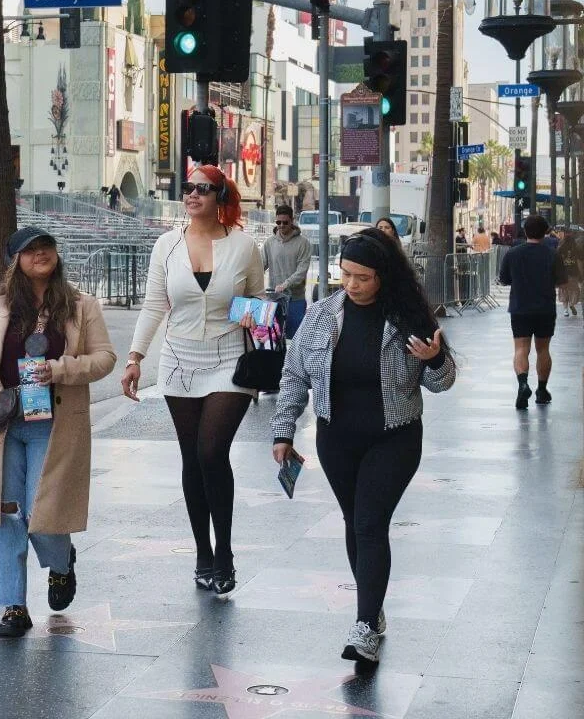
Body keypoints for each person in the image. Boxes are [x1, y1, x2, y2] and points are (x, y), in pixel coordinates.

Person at [271, 228, 456, 664]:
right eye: (345, 274)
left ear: (383, 277)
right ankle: (372, 610)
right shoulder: (319, 316)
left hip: (394, 438)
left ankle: (365, 626)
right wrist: (283, 430)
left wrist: (435, 359)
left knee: (370, 524)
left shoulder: (409, 318)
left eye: (362, 277)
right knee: (356, 522)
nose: (351, 284)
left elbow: (442, 383)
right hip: (336, 439)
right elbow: (295, 376)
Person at [0, 227, 115, 638]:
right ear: (15, 261)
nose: (39, 255)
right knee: (4, 515)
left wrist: (60, 368)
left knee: (42, 517)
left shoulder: (81, 304)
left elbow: (105, 358)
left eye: (45, 248)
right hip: (0, 424)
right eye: (28, 250)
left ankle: (61, 565)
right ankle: (13, 606)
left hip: (54, 425)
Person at [121, 165, 263, 598]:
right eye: (189, 188)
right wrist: (134, 357)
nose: (193, 194)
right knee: (191, 458)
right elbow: (153, 306)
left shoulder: (244, 247)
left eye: (203, 188)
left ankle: (225, 552)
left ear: (221, 196)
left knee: (212, 451)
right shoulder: (167, 245)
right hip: (179, 361)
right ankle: (203, 552)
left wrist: (266, 344)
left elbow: (255, 304)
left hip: (228, 359)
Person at [499, 214, 570, 408]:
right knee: (543, 349)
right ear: (545, 232)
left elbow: (504, 279)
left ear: (525, 231)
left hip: (520, 308)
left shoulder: (512, 254)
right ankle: (542, 389)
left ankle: (523, 384)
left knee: (521, 349)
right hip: (545, 308)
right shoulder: (553, 254)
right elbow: (563, 281)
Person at [263, 204, 312, 338]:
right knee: (273, 339)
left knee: (294, 340)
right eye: (278, 222)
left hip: (295, 300)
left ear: (292, 221)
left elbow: (301, 271)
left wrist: (285, 284)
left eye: (285, 222)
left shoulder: (303, 243)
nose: (281, 225)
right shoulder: (269, 243)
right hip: (274, 299)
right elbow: (260, 266)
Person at [556, 230, 582, 317]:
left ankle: (565, 310)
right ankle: (572, 303)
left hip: (563, 272)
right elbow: (579, 261)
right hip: (573, 272)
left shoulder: (560, 248)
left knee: (564, 291)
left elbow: (557, 261)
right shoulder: (576, 248)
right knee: (574, 290)